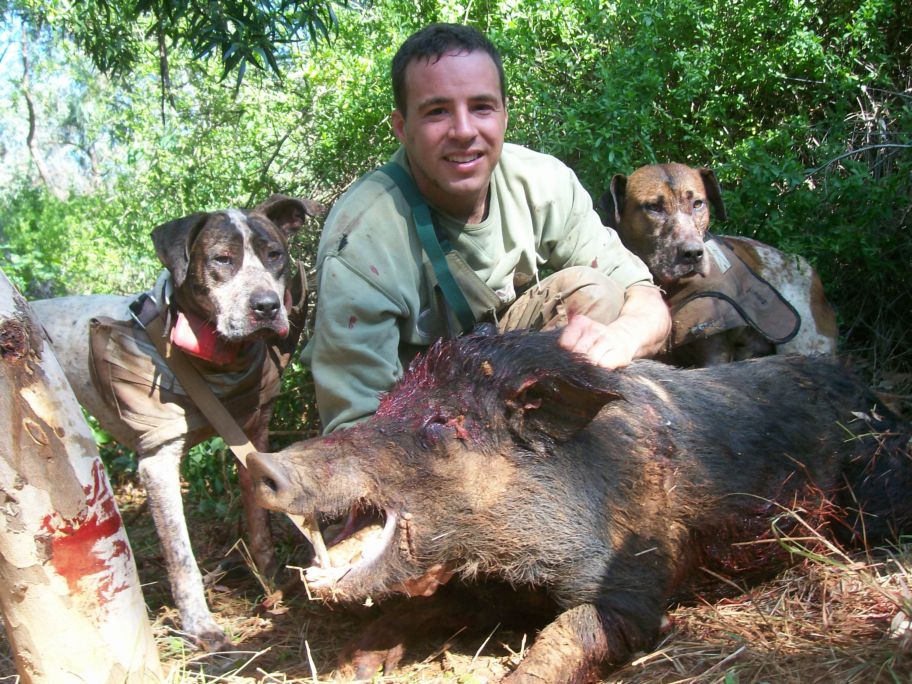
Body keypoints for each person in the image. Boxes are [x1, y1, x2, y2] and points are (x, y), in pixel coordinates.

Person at [303, 23, 671, 433]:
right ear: (402, 128)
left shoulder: (543, 183)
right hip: (416, 424)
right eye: (437, 111)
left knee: (597, 292)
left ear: (504, 115)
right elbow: (354, 430)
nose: (464, 131)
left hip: (505, 381)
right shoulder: (360, 241)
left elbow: (645, 299)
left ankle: (547, 452)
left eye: (481, 107)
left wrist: (621, 338)